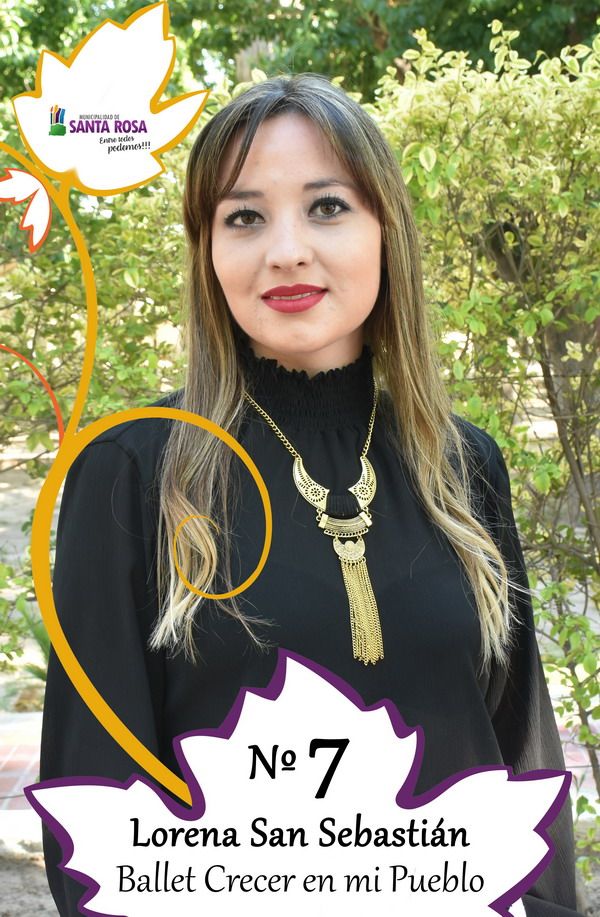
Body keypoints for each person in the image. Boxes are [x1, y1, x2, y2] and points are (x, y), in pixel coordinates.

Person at [41, 74, 582, 915]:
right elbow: (97, 813)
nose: (285, 250)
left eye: (327, 206)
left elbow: (518, 764)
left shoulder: (463, 463)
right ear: (207, 250)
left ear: (385, 230)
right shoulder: (133, 470)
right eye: (244, 217)